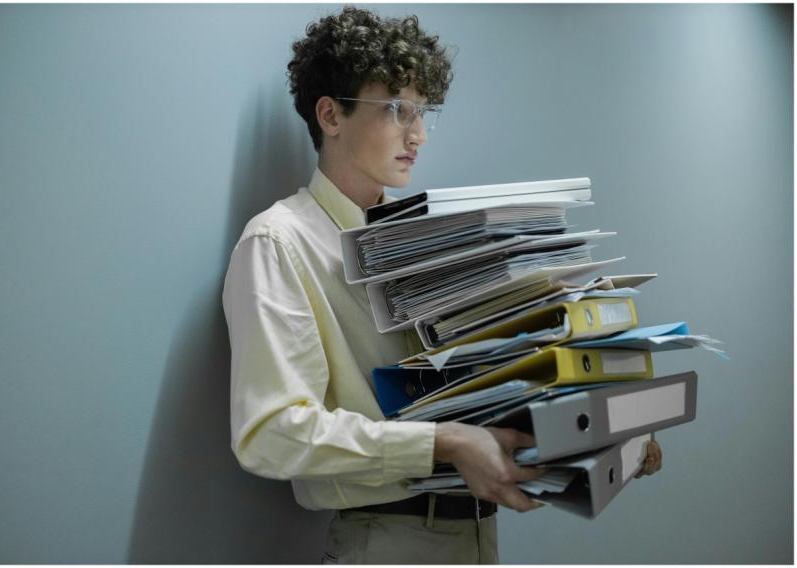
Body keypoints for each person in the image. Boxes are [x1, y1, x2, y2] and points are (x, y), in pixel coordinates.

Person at [222, 6, 662, 564]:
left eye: (422, 112)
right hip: (386, 541)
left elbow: (481, 384)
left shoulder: (433, 241)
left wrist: (599, 434)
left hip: (478, 535)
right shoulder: (279, 243)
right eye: (398, 111)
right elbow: (272, 431)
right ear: (331, 115)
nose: (418, 135)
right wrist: (446, 443)